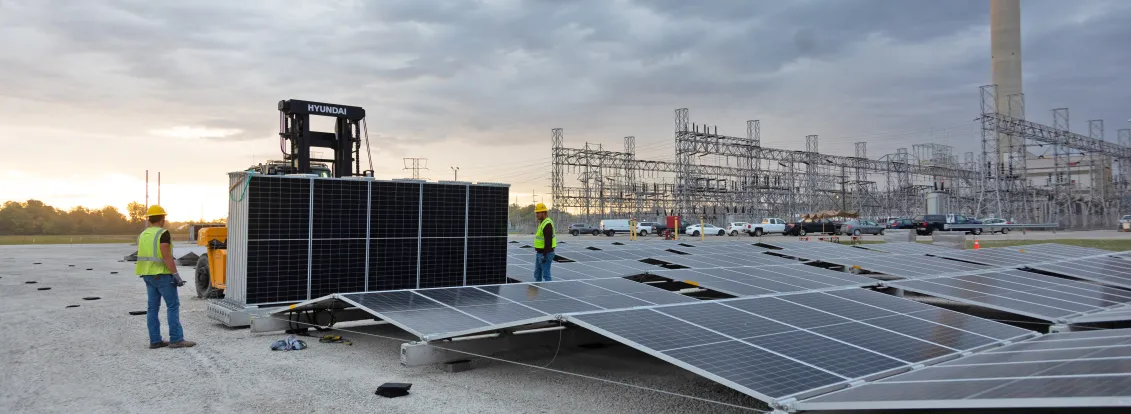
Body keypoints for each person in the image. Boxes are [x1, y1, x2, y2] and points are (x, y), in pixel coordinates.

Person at [135, 205, 196, 349]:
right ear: (162, 218)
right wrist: (176, 275)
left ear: (149, 219)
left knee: (152, 308)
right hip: (162, 275)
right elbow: (166, 256)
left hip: (147, 275)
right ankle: (176, 339)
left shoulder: (143, 234)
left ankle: (155, 340)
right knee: (172, 306)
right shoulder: (163, 233)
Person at [532, 203, 556, 282]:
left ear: (544, 213)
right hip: (540, 253)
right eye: (536, 212)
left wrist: (544, 255)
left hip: (545, 254)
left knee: (546, 275)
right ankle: (538, 293)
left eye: (538, 212)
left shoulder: (547, 224)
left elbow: (548, 242)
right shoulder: (542, 223)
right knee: (537, 274)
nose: (536, 214)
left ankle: (549, 293)